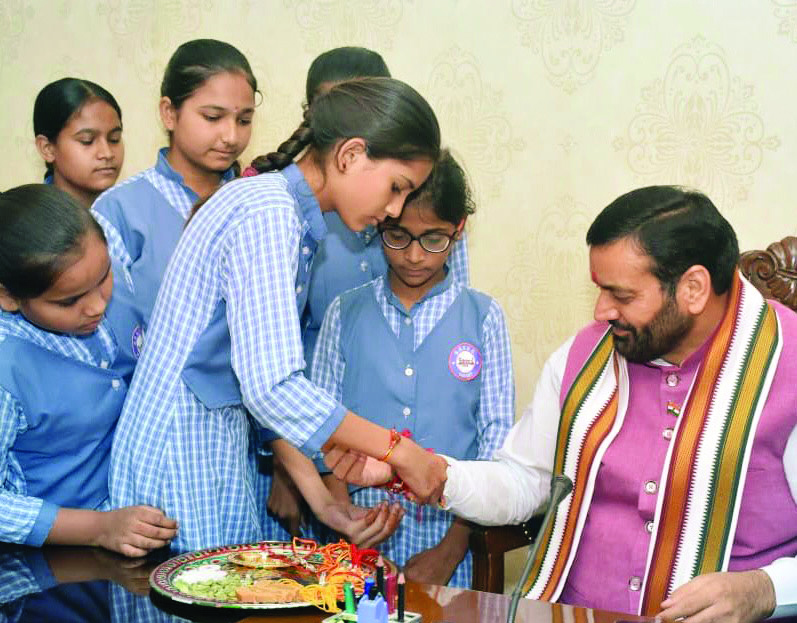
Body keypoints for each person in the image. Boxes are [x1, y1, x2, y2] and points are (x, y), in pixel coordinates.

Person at [108, 77, 450, 554]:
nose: (394, 209)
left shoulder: (286, 214)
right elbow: (274, 387)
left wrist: (325, 502)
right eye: (396, 188)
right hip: (179, 449)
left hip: (215, 442)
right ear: (350, 156)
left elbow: (259, 383)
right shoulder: (266, 213)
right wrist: (399, 449)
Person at [437, 186, 797, 621]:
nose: (601, 311)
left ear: (694, 289)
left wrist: (763, 589)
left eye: (621, 296)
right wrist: (436, 474)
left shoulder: (787, 365)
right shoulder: (586, 356)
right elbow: (526, 480)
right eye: (600, 290)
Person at [311, 150, 514, 587]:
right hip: (358, 533)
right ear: (380, 224)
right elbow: (320, 433)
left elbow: (494, 446)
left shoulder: (483, 318)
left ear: (459, 229)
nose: (416, 256)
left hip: (453, 533)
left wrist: (450, 550)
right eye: (399, 237)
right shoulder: (345, 313)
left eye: (434, 239)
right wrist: (349, 531)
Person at [0, 184, 177, 557]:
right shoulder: (8, 368)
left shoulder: (101, 312)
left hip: (118, 542)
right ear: (8, 296)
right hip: (46, 568)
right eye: (70, 301)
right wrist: (97, 528)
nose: (97, 307)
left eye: (104, 278)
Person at [91, 38, 257, 332]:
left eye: (244, 120)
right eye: (213, 117)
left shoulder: (257, 203)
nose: (231, 136)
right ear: (169, 113)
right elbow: (110, 330)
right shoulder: (119, 211)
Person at [33, 78, 124, 208]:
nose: (107, 153)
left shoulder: (133, 214)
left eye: (114, 139)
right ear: (47, 148)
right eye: (87, 141)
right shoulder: (26, 222)